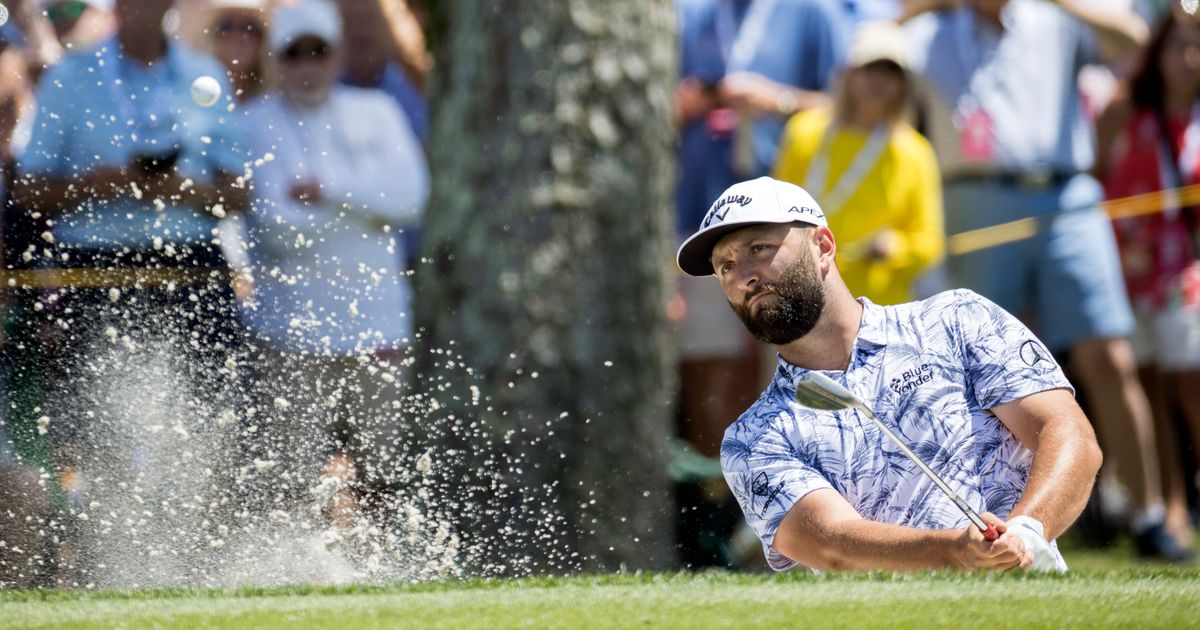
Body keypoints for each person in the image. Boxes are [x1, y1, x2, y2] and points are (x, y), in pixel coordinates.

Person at [676, 176, 1103, 571]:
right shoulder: (751, 440)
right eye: (725, 266)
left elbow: (1067, 432)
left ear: (823, 246)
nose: (744, 277)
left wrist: (1029, 532)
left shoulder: (957, 319)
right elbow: (833, 544)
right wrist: (958, 551)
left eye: (759, 249)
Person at [903, 0, 1189, 560]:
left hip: (1067, 193)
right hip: (974, 196)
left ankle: (1150, 515)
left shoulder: (1055, 16)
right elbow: (860, 53)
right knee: (967, 371)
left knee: (1110, 355)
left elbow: (1134, 39)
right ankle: (972, 517)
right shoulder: (933, 29)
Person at [12, 0, 249, 581]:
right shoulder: (72, 77)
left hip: (191, 265)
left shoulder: (204, 75)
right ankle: (106, 575)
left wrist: (182, 189)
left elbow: (238, 192)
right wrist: (100, 185)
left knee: (208, 429)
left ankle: (198, 573)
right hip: (98, 267)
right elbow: (29, 189)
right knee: (101, 435)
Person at [240, 0, 429, 528]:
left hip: (376, 324)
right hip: (289, 330)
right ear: (276, 58)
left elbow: (411, 197)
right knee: (290, 478)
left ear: (337, 53)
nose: (306, 65)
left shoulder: (378, 111)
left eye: (317, 52)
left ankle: (379, 575)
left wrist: (327, 192)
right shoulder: (254, 122)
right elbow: (277, 226)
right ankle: (294, 577)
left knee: (382, 475)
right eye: (293, 53)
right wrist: (365, 212)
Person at [1095, 9, 1200, 554]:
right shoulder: (1126, 109)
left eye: (1196, 46)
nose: (1188, 59)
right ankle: (1172, 507)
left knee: (1191, 386)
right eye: (1177, 46)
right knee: (1150, 390)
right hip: (1126, 268)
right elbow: (1092, 172)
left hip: (1187, 271)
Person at [773, 20, 943, 305]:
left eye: (891, 71)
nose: (879, 80)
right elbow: (774, 213)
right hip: (802, 297)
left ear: (904, 84)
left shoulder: (915, 151)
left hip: (878, 308)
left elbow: (931, 243)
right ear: (847, 74)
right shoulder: (803, 131)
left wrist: (895, 247)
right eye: (869, 68)